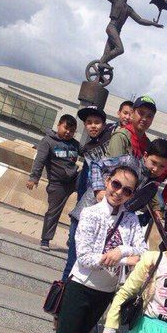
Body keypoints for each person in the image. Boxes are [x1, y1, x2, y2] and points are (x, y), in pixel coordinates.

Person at [16, 161, 147, 333]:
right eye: (116, 184)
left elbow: (143, 251)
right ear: (107, 181)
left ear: (132, 194)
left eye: (127, 190)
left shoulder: (132, 219)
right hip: (80, 288)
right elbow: (85, 257)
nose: (119, 192)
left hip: (105, 294)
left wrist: (121, 251)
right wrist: (122, 258)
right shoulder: (90, 213)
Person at [61, 106, 113, 280]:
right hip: (85, 206)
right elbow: (84, 184)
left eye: (97, 122)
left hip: (101, 207)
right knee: (72, 258)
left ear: (104, 124)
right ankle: (63, 288)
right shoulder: (88, 148)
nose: (93, 126)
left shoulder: (112, 137)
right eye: (89, 122)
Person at [27, 114, 79, 251]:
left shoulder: (74, 144)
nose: (68, 132)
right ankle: (45, 239)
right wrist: (34, 178)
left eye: (72, 131)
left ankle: (72, 238)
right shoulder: (48, 141)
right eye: (66, 128)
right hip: (58, 184)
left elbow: (87, 151)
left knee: (89, 194)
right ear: (59, 125)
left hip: (74, 179)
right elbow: (40, 160)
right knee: (53, 212)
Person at [98, 0, 163, 69]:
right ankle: (102, 63)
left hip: (117, 31)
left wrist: (153, 23)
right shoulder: (115, 0)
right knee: (120, 49)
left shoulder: (129, 9)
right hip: (112, 27)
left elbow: (140, 20)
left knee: (106, 55)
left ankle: (100, 71)